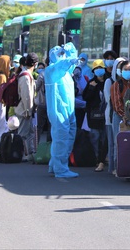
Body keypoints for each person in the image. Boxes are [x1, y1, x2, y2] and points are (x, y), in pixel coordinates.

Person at [45, 43, 80, 178]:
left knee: (67, 137)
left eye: (63, 54)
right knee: (61, 139)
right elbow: (61, 66)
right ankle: (60, 169)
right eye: (59, 54)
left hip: (68, 111)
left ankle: (54, 165)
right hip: (58, 111)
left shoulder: (66, 73)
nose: (62, 56)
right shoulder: (51, 70)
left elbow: (71, 61)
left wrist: (71, 48)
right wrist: (68, 59)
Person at [111, 59, 130, 174]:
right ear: (120, 71)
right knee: (119, 143)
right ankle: (119, 167)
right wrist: (125, 116)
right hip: (120, 117)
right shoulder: (117, 85)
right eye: (125, 70)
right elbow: (117, 104)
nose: (128, 72)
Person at [83, 59, 107, 172]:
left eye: (100, 68)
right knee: (95, 137)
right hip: (93, 116)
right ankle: (97, 158)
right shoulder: (91, 83)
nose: (99, 71)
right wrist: (92, 88)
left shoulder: (108, 81)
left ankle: (104, 158)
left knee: (104, 137)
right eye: (96, 69)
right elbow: (86, 98)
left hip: (105, 115)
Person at [104, 57, 126, 175]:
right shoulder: (110, 82)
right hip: (112, 114)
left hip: (124, 115)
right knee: (113, 143)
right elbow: (109, 99)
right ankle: (113, 167)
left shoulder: (128, 82)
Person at [15, 53, 38, 161]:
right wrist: (28, 110)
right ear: (35, 64)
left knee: (30, 132)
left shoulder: (26, 75)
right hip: (24, 110)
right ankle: (19, 153)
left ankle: (30, 153)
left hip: (26, 109)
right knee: (23, 133)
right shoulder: (25, 76)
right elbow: (26, 96)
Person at [34, 59, 51, 145]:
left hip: (42, 103)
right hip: (52, 105)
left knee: (39, 127)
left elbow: (36, 88)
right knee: (50, 127)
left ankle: (35, 147)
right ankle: (49, 147)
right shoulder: (56, 74)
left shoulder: (42, 74)